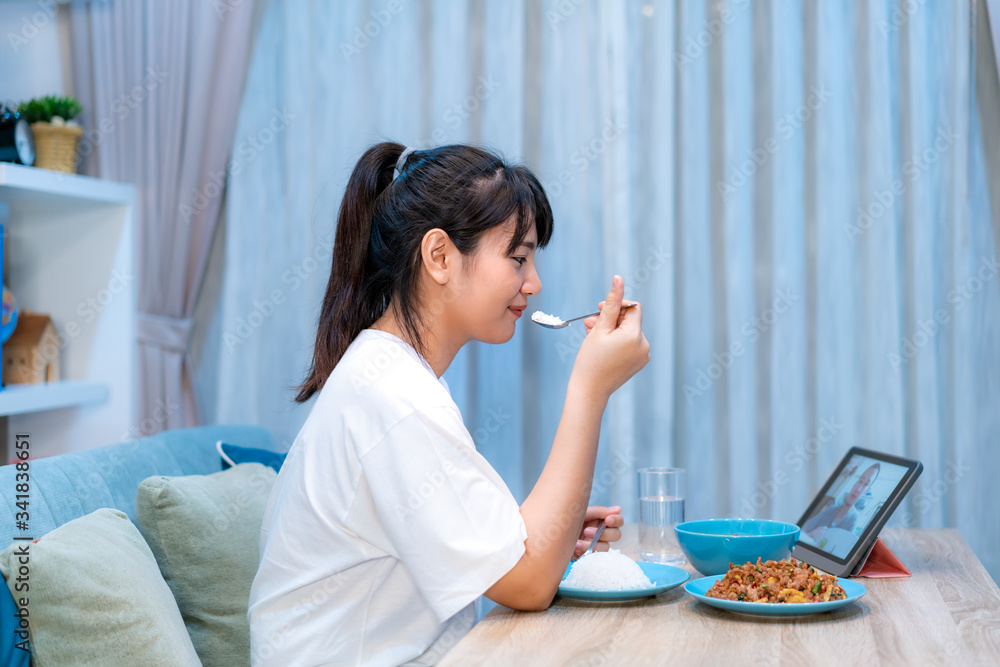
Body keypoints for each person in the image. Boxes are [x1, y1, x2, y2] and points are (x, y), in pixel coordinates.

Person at [247, 142, 650, 666]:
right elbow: (527, 583)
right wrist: (589, 389)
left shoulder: (389, 377)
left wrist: (548, 535)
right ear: (439, 256)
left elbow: (509, 562)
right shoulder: (392, 397)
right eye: (519, 258)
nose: (534, 282)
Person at [803, 463, 881, 541]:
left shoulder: (853, 520)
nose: (858, 489)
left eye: (865, 484)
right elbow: (805, 526)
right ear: (855, 483)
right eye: (860, 481)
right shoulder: (831, 510)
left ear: (866, 491)